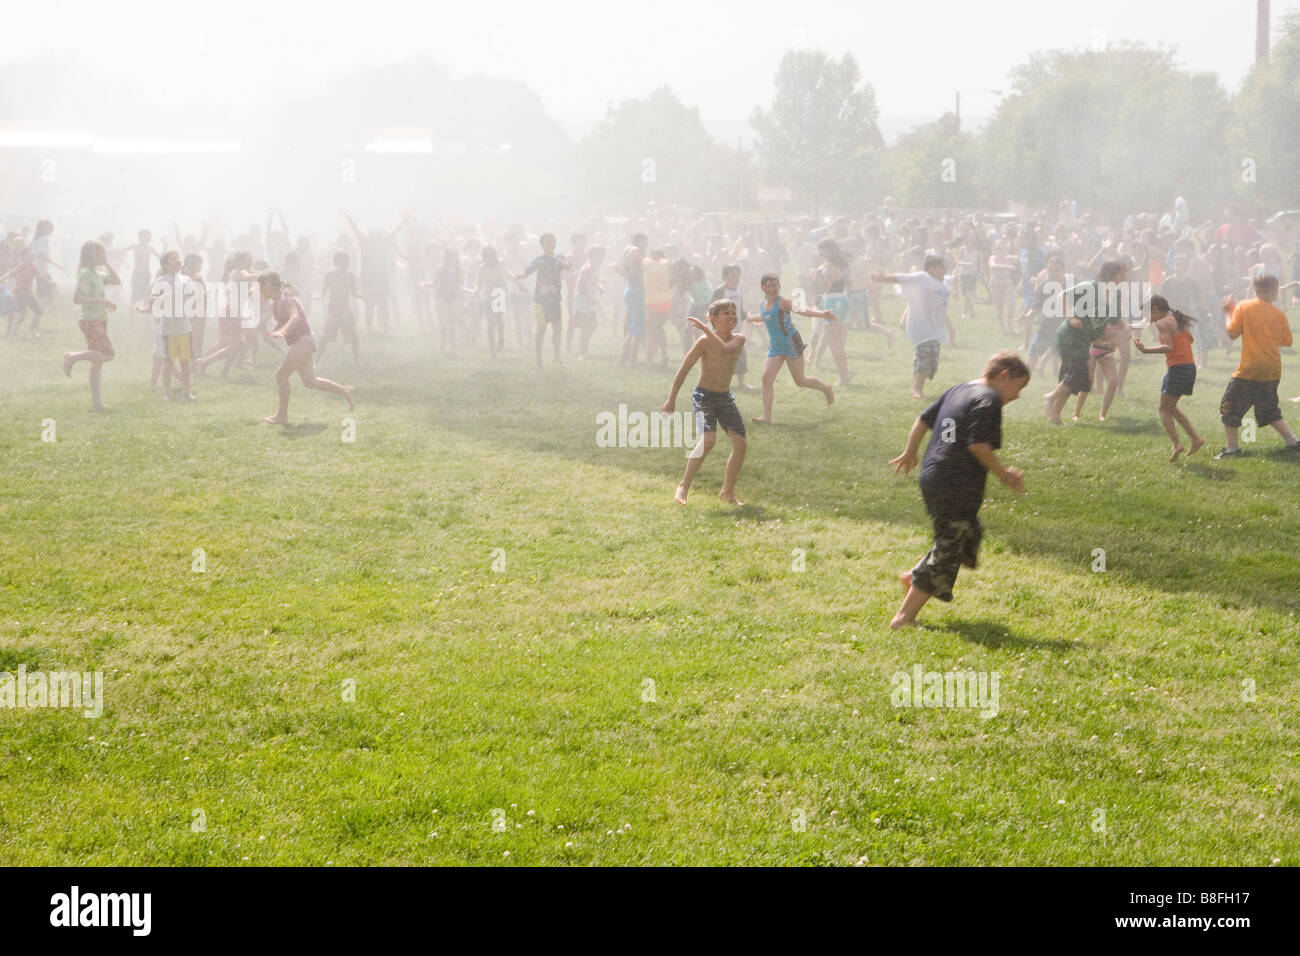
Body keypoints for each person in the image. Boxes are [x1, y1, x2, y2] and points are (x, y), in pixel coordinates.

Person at [888, 351, 1030, 629]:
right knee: (950, 546)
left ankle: (914, 576)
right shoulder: (988, 401)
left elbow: (923, 420)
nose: (1017, 396)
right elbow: (978, 445)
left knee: (966, 533)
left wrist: (910, 452)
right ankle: (904, 618)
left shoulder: (960, 389)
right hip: (956, 481)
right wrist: (1004, 474)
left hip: (935, 475)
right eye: (1018, 387)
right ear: (1004, 376)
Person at [660, 300, 748, 506]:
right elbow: (684, 369)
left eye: (734, 312)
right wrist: (671, 398)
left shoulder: (739, 339)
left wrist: (706, 330)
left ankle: (727, 491)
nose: (732, 316)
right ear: (714, 319)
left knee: (741, 445)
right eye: (727, 313)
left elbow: (725, 349)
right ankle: (684, 485)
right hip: (704, 396)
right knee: (708, 440)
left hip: (724, 398)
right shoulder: (703, 342)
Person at [1213, 275, 1299, 458]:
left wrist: (1229, 311)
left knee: (1229, 407)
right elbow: (1287, 341)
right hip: (1272, 369)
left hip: (1249, 369)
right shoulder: (1279, 314)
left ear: (1255, 289)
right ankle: (1293, 441)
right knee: (1269, 408)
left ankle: (1232, 448)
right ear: (1275, 292)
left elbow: (1232, 333)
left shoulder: (1243, 306)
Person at [260, 271, 355, 425]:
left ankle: (281, 416)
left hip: (303, 341)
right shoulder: (275, 303)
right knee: (310, 381)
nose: (260, 291)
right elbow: (284, 320)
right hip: (303, 341)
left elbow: (295, 318)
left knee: (281, 376)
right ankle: (345, 390)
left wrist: (283, 332)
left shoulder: (286, 299)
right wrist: (276, 330)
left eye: (261, 287)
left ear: (269, 286)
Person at [1043, 261, 1128, 424]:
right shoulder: (1090, 287)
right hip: (1070, 336)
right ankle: (1050, 397)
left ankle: (1055, 415)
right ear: (1112, 275)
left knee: (1071, 379)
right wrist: (1072, 317)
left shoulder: (1115, 293)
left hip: (1084, 339)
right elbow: (1063, 296)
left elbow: (1113, 318)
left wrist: (1120, 332)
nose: (1125, 277)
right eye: (1122, 274)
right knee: (1077, 377)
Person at [748, 273, 835, 424]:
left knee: (800, 381)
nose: (773, 288)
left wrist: (821, 314)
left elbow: (802, 310)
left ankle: (826, 388)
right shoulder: (763, 304)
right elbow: (765, 317)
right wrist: (750, 318)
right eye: (769, 286)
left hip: (791, 343)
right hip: (776, 346)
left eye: (775, 285)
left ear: (779, 286)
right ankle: (767, 417)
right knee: (766, 378)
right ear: (763, 288)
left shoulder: (784, 302)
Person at [1133, 295, 1204, 461]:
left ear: (1155, 309)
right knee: (1171, 408)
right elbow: (1190, 339)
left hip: (1177, 369)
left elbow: (1168, 347)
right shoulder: (1175, 319)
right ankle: (1196, 439)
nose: (1146, 319)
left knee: (1163, 409)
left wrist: (1145, 350)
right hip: (1189, 368)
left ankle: (1177, 444)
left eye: (1147, 314)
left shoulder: (1161, 323)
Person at [872, 255, 951, 400]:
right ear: (931, 269)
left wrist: (949, 329)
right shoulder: (922, 277)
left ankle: (919, 386)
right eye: (941, 266)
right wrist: (881, 278)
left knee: (932, 360)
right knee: (924, 356)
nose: (944, 269)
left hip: (935, 329)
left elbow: (942, 307)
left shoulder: (942, 284)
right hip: (920, 326)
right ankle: (916, 388)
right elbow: (902, 278)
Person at [63, 239, 121, 412]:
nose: (103, 255)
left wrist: (107, 263)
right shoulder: (86, 273)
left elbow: (116, 281)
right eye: (100, 253)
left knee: (97, 361)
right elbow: (77, 298)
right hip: (90, 319)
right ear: (90, 255)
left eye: (104, 253)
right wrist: (101, 300)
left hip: (99, 318)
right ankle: (72, 357)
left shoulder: (96, 273)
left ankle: (97, 403)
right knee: (108, 354)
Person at [513, 233, 570, 370]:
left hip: (555, 299)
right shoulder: (539, 260)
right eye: (549, 241)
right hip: (541, 300)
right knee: (541, 330)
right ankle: (539, 360)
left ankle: (557, 357)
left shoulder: (559, 258)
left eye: (553, 241)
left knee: (557, 329)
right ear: (542, 244)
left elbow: (568, 267)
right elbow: (528, 271)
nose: (552, 243)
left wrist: (563, 263)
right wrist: (520, 276)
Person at [318, 251, 363, 365]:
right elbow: (323, 291)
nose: (346, 265)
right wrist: (319, 298)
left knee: (353, 335)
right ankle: (316, 360)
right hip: (333, 309)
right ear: (336, 263)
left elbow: (354, 292)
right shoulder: (330, 276)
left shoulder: (350, 276)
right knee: (325, 336)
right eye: (343, 262)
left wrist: (364, 295)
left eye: (347, 263)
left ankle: (356, 360)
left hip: (345, 310)